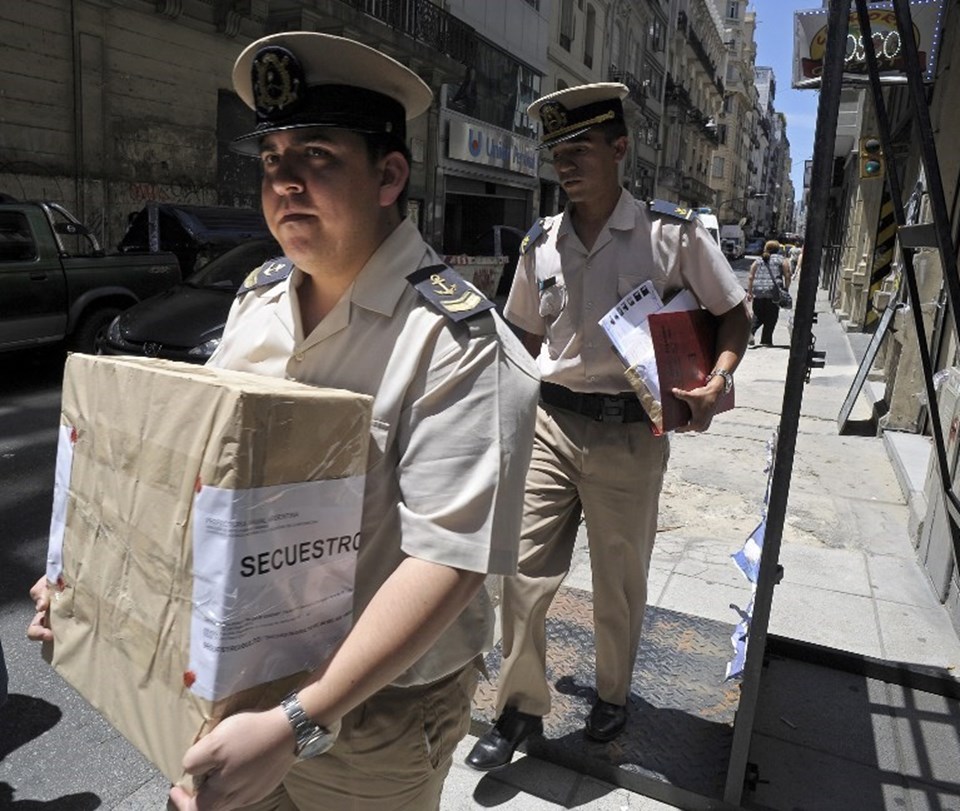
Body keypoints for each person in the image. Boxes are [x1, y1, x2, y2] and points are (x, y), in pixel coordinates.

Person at [28, 32, 540, 811]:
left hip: (375, 715)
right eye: (271, 160)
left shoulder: (457, 340)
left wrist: (299, 720)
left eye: (318, 156)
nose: (285, 182)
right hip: (242, 678)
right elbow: (200, 475)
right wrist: (86, 586)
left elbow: (450, 559)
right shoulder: (260, 298)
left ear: (389, 176)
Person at [464, 82, 751, 772]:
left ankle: (613, 695)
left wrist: (717, 378)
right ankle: (518, 707)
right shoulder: (541, 244)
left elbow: (733, 310)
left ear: (619, 149)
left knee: (619, 579)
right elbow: (524, 340)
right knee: (521, 574)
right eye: (557, 151)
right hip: (552, 427)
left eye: (581, 148)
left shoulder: (669, 234)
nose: (565, 163)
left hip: (630, 432)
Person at [746, 239, 792, 347]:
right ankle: (766, 340)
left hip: (758, 291)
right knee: (771, 316)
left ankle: (750, 333)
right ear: (778, 249)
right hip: (773, 292)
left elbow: (751, 276)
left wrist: (750, 291)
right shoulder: (781, 260)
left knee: (757, 315)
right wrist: (786, 288)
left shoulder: (758, 260)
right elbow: (787, 275)